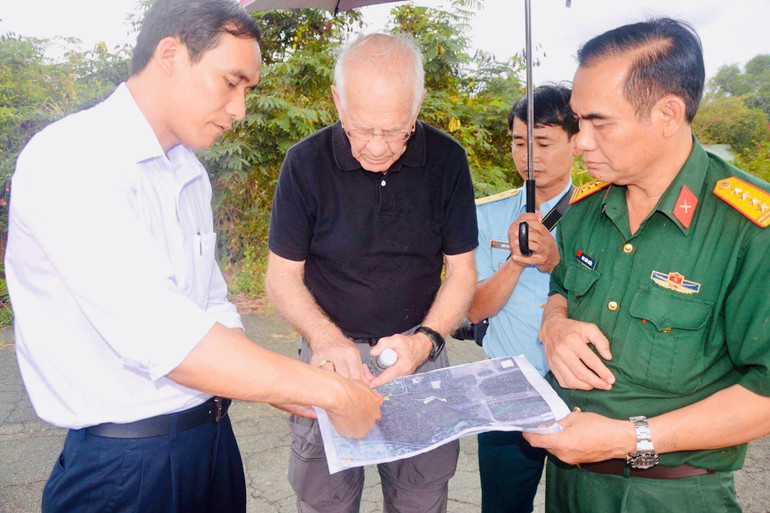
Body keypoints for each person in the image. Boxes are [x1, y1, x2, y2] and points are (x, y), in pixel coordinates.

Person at [5, 1, 383, 512]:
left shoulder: (188, 173)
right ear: (170, 54)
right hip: (124, 466)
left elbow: (211, 311)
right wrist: (334, 393)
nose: (240, 110)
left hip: (210, 442)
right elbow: (165, 338)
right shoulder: (74, 159)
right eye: (231, 82)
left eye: (247, 91)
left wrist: (304, 392)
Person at [521, 18, 770, 513]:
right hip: (568, 487)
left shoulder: (747, 228)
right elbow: (562, 285)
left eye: (599, 122)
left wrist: (627, 438)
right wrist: (554, 326)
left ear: (668, 114)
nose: (580, 143)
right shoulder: (588, 208)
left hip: (672, 493)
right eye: (576, 122)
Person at [265, 33, 478, 513]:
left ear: (418, 102)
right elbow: (281, 278)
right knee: (325, 499)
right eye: (362, 129)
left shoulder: (447, 161)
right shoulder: (304, 163)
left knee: (421, 497)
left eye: (396, 130)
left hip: (417, 353)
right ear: (337, 100)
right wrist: (326, 338)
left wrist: (423, 342)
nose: (378, 147)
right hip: (328, 358)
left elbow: (462, 274)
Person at [468, 84, 578, 513]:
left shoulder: (604, 212)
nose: (528, 155)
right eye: (519, 141)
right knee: (502, 504)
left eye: (544, 142)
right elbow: (474, 308)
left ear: (576, 142)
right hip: (507, 385)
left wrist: (554, 262)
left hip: (580, 386)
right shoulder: (487, 214)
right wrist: (514, 262)